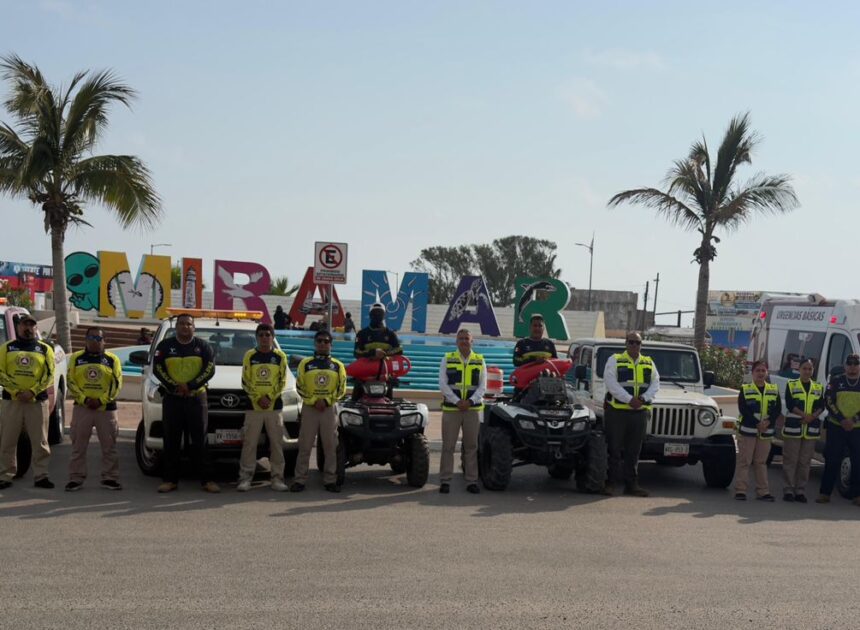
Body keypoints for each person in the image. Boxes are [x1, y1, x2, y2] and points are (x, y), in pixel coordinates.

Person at [152, 313, 219, 493]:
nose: (185, 327)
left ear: (194, 327)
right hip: (172, 398)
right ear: (176, 327)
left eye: (188, 324)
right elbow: (158, 368)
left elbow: (209, 369)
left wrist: (190, 385)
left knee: (200, 440)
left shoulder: (203, 346)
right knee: (171, 440)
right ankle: (170, 480)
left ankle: (207, 480)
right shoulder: (165, 346)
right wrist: (174, 386)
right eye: (181, 324)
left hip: (196, 398)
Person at [0, 313, 55, 489]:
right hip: (12, 402)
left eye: (31, 325)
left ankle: (41, 476)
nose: (28, 328)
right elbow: (1, 372)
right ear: (18, 327)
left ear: (36, 328)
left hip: (36, 402)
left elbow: (49, 374)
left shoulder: (44, 349)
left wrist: (32, 391)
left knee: (40, 441)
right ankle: (6, 475)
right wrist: (16, 391)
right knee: (8, 440)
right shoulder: (6, 348)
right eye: (24, 325)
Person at [65, 327, 123, 491]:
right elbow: (70, 381)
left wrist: (101, 400)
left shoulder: (112, 359)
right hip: (82, 408)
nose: (95, 341)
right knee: (78, 446)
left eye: (98, 338)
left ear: (104, 341)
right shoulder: (77, 358)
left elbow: (117, 383)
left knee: (109, 446)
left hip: (106, 409)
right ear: (85, 339)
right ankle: (76, 478)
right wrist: (84, 399)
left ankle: (110, 478)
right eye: (91, 337)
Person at [602, 331, 659, 497]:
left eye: (638, 342)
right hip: (617, 412)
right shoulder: (615, 360)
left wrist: (642, 399)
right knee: (614, 449)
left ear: (641, 345)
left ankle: (632, 485)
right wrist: (629, 400)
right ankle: (610, 483)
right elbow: (611, 383)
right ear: (626, 343)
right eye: (631, 342)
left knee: (634, 451)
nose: (634, 345)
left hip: (639, 412)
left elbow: (655, 384)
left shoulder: (649, 362)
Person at [292, 330, 347, 493]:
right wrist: (314, 401)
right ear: (315, 343)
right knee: (305, 445)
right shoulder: (305, 363)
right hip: (310, 408)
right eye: (319, 341)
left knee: (330, 446)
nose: (323, 344)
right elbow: (299, 386)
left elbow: (342, 388)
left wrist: (327, 401)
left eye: (326, 341)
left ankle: (330, 480)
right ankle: (299, 480)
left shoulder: (338, 365)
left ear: (331, 344)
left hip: (329, 409)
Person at [237, 323, 289, 492]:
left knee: (276, 445)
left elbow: (282, 381)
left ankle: (277, 479)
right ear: (257, 337)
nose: (265, 338)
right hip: (254, 407)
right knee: (250, 444)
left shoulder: (280, 356)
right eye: (261, 335)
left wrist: (269, 397)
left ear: (273, 337)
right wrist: (258, 398)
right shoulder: (250, 356)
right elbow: (245, 381)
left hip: (274, 408)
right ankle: (245, 478)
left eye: (268, 335)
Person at [438, 329, 486, 495]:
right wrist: (457, 401)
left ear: (472, 341)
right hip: (452, 409)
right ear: (456, 341)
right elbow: (443, 385)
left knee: (471, 447)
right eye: (461, 338)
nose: (464, 341)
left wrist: (470, 401)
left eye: (467, 338)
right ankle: (445, 481)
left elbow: (482, 386)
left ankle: (471, 481)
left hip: (472, 410)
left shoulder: (480, 360)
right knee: (448, 446)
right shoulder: (447, 358)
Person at [734, 360, 780, 501]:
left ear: (767, 373)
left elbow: (777, 409)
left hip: (766, 431)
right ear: (752, 373)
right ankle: (740, 491)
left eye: (763, 370)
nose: (760, 373)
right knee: (745, 461)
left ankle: (763, 492)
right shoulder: (745, 389)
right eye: (757, 371)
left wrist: (768, 422)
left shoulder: (773, 389)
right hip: (748, 430)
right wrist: (757, 423)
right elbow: (743, 409)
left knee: (761, 462)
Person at [817, 353, 860, 505]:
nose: (852, 367)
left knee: (857, 461)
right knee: (832, 459)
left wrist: (854, 419)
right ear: (845, 365)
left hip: (857, 428)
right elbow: (828, 400)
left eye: (855, 364)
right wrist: (842, 419)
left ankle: (857, 495)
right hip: (837, 426)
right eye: (850, 364)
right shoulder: (836, 381)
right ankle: (825, 493)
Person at [781, 358, 825, 502]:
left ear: (813, 371)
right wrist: (804, 415)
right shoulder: (791, 384)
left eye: (810, 369)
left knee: (805, 462)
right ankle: (788, 489)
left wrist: (812, 417)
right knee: (790, 460)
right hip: (794, 428)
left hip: (810, 429)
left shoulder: (818, 387)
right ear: (799, 370)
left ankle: (800, 490)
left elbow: (821, 406)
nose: (807, 371)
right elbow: (789, 403)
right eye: (804, 368)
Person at [352, 303, 402, 400]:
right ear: (370, 315)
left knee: (389, 403)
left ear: (384, 315)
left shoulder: (391, 334)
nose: (377, 315)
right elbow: (356, 352)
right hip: (365, 373)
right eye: (374, 313)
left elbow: (399, 350)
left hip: (385, 373)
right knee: (354, 402)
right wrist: (372, 353)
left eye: (380, 313)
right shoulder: (362, 334)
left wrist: (384, 354)